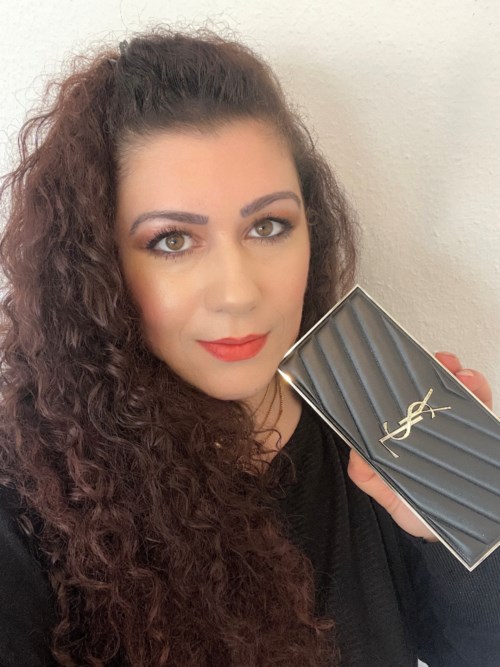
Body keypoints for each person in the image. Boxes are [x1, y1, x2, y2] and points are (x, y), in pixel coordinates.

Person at [0, 26, 498, 667]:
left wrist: (459, 517)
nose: (238, 293)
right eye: (172, 240)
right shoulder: (30, 503)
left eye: (268, 226)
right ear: (96, 267)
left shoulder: (378, 405)